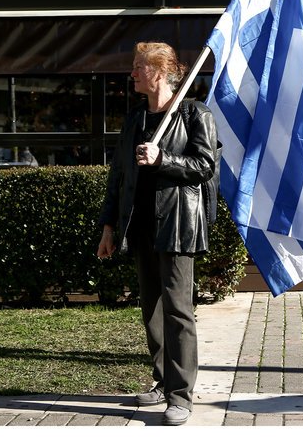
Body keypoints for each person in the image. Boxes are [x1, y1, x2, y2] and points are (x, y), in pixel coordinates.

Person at [96, 41, 219, 426]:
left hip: (179, 224)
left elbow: (204, 165)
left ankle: (181, 395)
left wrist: (163, 158)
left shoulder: (195, 114)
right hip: (141, 224)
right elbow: (119, 176)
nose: (132, 73)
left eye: (138, 67)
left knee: (178, 310)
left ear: (160, 72)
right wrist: (109, 226)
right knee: (150, 307)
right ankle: (163, 380)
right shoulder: (135, 120)